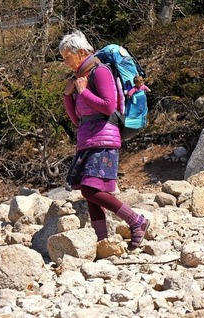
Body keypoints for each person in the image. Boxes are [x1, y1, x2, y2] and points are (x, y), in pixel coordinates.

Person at [60, 31, 149, 250]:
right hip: (87, 138)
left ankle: (136, 221)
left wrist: (83, 92)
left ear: (81, 52)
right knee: (90, 191)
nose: (66, 63)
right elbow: (76, 119)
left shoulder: (100, 72)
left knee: (90, 190)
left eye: (67, 57)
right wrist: (67, 95)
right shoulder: (80, 77)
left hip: (104, 137)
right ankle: (102, 240)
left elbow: (108, 106)